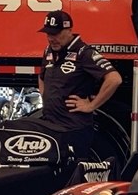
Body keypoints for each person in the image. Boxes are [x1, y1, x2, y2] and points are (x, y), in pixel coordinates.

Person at [37, 10, 122, 159]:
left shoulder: (84, 53)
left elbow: (114, 79)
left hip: (74, 130)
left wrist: (91, 106)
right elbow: (42, 76)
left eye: (56, 34)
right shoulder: (48, 51)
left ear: (69, 30)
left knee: (74, 171)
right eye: (48, 34)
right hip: (50, 128)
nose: (51, 38)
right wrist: (46, 98)